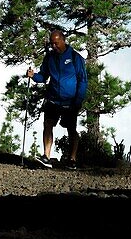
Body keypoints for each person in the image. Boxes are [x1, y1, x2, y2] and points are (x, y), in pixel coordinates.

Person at [26, 29, 87, 169]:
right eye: (52, 43)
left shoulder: (75, 57)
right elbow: (43, 76)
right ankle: (46, 157)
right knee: (48, 125)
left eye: (57, 43)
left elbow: (83, 81)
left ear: (63, 40)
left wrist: (78, 101)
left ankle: (72, 160)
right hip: (53, 99)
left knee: (71, 129)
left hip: (70, 101)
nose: (54, 46)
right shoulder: (49, 58)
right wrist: (33, 76)